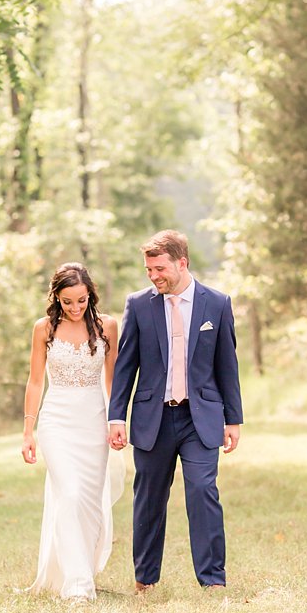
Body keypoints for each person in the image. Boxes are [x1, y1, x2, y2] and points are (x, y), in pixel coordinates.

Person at [108, 230, 243, 592]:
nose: (154, 276)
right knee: (149, 498)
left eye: (160, 268)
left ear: (182, 263)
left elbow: (227, 365)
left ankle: (213, 580)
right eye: (149, 270)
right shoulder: (139, 305)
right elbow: (126, 365)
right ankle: (145, 580)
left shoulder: (216, 303)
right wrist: (116, 415)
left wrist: (234, 419)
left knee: (203, 491)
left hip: (200, 418)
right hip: (154, 418)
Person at [21, 262, 122, 601]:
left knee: (90, 503)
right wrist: (28, 432)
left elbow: (113, 383)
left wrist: (117, 421)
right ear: (57, 299)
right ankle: (77, 587)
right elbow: (36, 381)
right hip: (57, 422)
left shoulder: (107, 326)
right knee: (71, 493)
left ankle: (82, 571)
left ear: (90, 295)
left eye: (81, 300)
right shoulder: (44, 329)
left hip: (94, 421)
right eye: (68, 302)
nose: (75, 308)